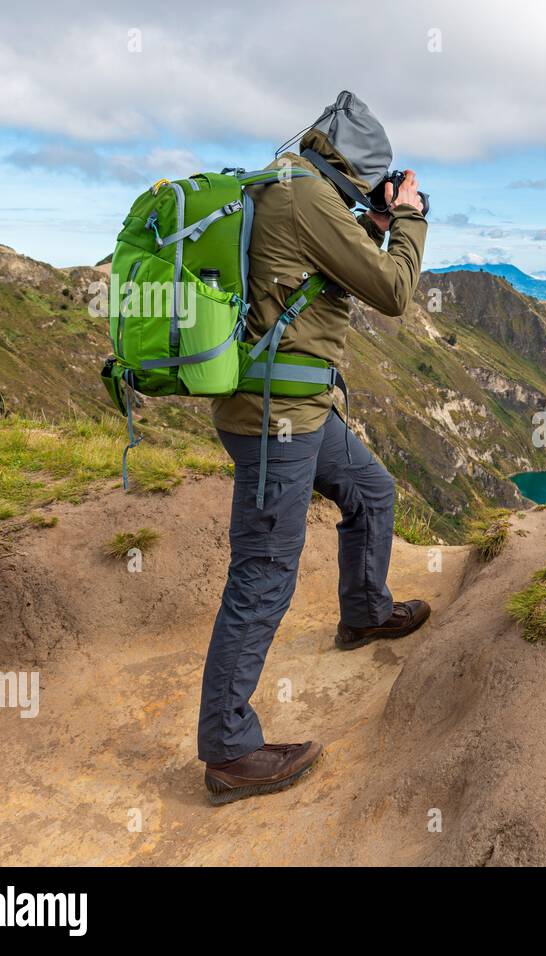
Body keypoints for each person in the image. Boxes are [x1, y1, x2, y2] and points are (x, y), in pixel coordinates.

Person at [198, 92, 430, 805]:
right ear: (354, 166)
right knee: (265, 568)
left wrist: (378, 221)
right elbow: (391, 287)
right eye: (374, 179)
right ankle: (229, 751)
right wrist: (413, 220)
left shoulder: (290, 186)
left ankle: (364, 612)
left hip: (295, 409)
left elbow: (336, 264)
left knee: (372, 492)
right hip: (278, 418)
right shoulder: (305, 198)